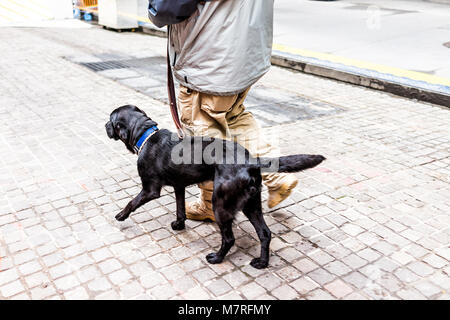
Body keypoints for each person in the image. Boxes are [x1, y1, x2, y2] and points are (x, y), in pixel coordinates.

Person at [168, 0, 298, 221]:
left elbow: (167, 8)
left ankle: (210, 204)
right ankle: (276, 177)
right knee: (236, 118)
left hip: (208, 61)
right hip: (244, 58)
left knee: (204, 138)